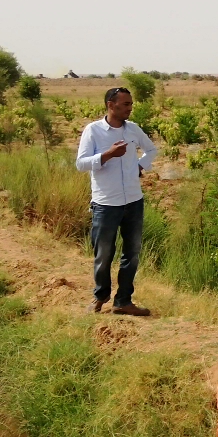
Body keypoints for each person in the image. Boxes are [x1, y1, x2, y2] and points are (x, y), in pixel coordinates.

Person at [75, 87, 158, 316]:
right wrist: (108, 154)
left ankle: (123, 301)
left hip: (133, 200)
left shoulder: (133, 130)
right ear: (111, 105)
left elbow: (151, 150)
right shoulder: (93, 131)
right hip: (105, 203)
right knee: (103, 253)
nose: (130, 108)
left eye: (131, 104)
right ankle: (100, 297)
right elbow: (81, 164)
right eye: (126, 104)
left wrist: (139, 166)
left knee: (131, 253)